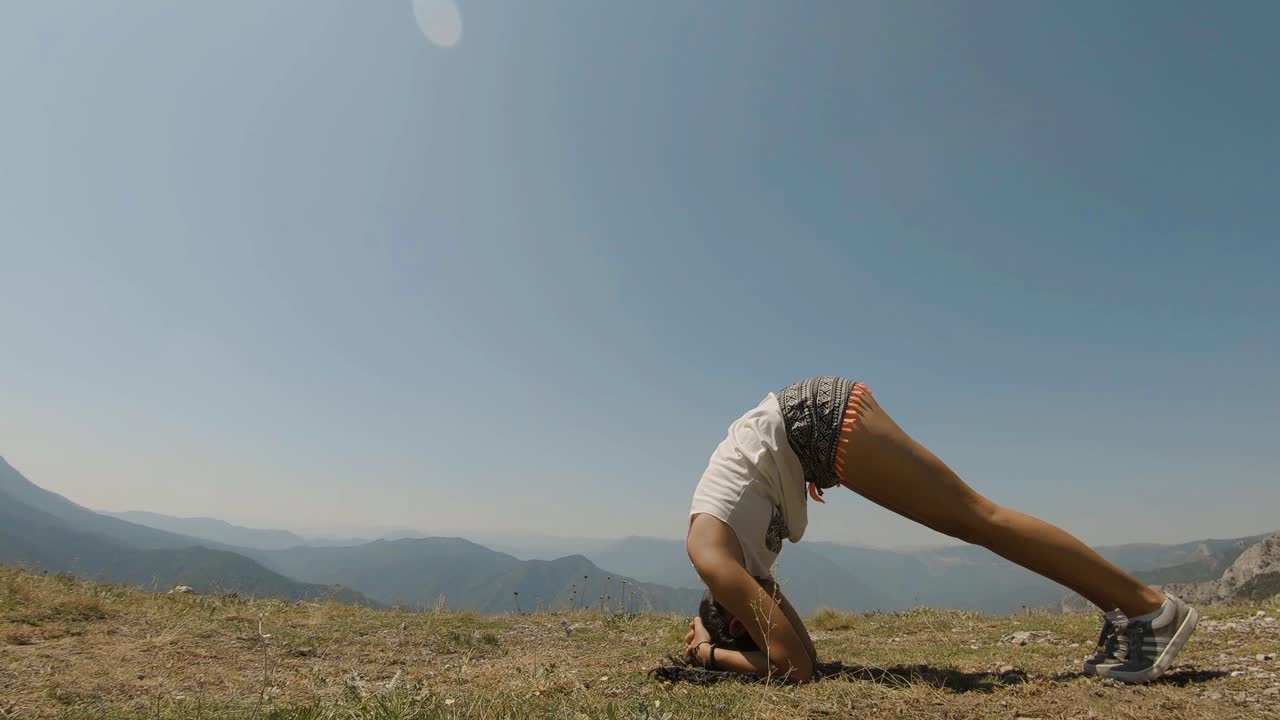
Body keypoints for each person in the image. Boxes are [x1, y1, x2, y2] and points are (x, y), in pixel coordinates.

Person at [684, 376, 1197, 684]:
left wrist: (709, 654)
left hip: (818, 422)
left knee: (980, 519)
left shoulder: (714, 559)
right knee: (980, 519)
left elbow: (790, 665)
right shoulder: (733, 560)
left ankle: (1148, 609)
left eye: (746, 627)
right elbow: (802, 654)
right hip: (817, 420)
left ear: (734, 619)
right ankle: (1133, 610)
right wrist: (720, 638)